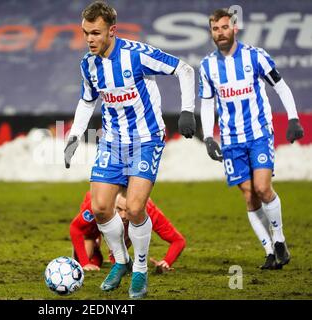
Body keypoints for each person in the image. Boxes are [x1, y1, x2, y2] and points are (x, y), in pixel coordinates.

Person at [64, 1, 196, 298]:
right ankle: (120, 260)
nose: (90, 40)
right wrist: (74, 134)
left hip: (146, 139)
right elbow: (88, 100)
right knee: (99, 208)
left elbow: (184, 70)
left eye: (96, 33)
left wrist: (188, 111)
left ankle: (139, 269)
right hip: (112, 140)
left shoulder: (137, 55)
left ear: (112, 30)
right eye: (86, 33)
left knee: (135, 208)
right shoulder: (88, 64)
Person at [199, 9, 304, 270]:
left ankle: (279, 239)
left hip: (258, 133)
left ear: (234, 28)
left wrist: (293, 118)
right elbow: (206, 102)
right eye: (215, 29)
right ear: (211, 32)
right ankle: (269, 251)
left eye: (224, 27)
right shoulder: (208, 66)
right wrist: (208, 137)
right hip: (231, 140)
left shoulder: (255, 56)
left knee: (262, 188)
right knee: (249, 196)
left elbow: (280, 85)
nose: (220, 33)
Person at [70, 191, 186, 273]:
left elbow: (178, 241)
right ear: (113, 203)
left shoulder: (149, 211)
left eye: (128, 210)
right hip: (99, 221)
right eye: (119, 209)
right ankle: (95, 244)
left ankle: (105, 255)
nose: (124, 216)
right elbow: (75, 228)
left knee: (117, 260)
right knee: (85, 252)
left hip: (128, 227)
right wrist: (85, 263)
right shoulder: (98, 205)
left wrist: (166, 262)